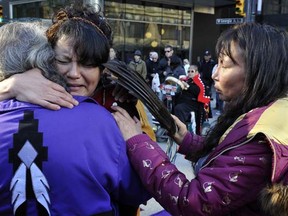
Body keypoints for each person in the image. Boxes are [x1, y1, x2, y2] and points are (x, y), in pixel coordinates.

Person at [111, 22, 288, 216]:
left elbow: (193, 201)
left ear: (259, 73)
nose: (215, 75)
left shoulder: (262, 140)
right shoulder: (263, 112)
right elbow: (227, 156)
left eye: (226, 65)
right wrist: (186, 138)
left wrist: (138, 142)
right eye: (217, 64)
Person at [0, 21, 149, 216]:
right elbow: (136, 190)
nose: (74, 74)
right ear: (46, 60)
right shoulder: (98, 120)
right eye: (63, 60)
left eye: (87, 63)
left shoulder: (120, 107)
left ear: (103, 68)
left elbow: (141, 186)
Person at [173, 64, 210, 135]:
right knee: (172, 103)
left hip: (194, 103)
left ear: (196, 72)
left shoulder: (200, 81)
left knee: (179, 108)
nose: (189, 73)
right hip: (185, 101)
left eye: (192, 71)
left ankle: (182, 129)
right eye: (188, 71)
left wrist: (187, 86)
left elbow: (198, 91)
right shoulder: (188, 80)